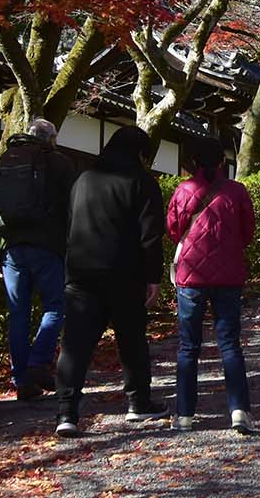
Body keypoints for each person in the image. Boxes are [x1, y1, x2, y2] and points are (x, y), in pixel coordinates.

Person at [53, 125, 168, 437]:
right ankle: (137, 403)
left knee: (75, 343)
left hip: (81, 272)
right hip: (125, 273)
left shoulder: (83, 179)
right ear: (140, 154)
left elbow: (68, 225)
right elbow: (151, 235)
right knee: (131, 340)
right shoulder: (141, 182)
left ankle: (67, 412)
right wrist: (153, 277)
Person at [167, 138, 257, 434]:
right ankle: (239, 411)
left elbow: (172, 229)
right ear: (222, 162)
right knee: (230, 344)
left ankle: (184, 415)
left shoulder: (183, 190)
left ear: (194, 161)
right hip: (228, 275)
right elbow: (247, 233)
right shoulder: (236, 191)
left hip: (191, 276)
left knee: (188, 346)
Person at [0, 118, 76, 401]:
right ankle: (38, 362)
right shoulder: (60, 163)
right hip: (48, 246)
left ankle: (21, 380)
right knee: (55, 305)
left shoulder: (7, 159)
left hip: (12, 247)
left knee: (18, 312)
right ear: (51, 138)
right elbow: (71, 207)